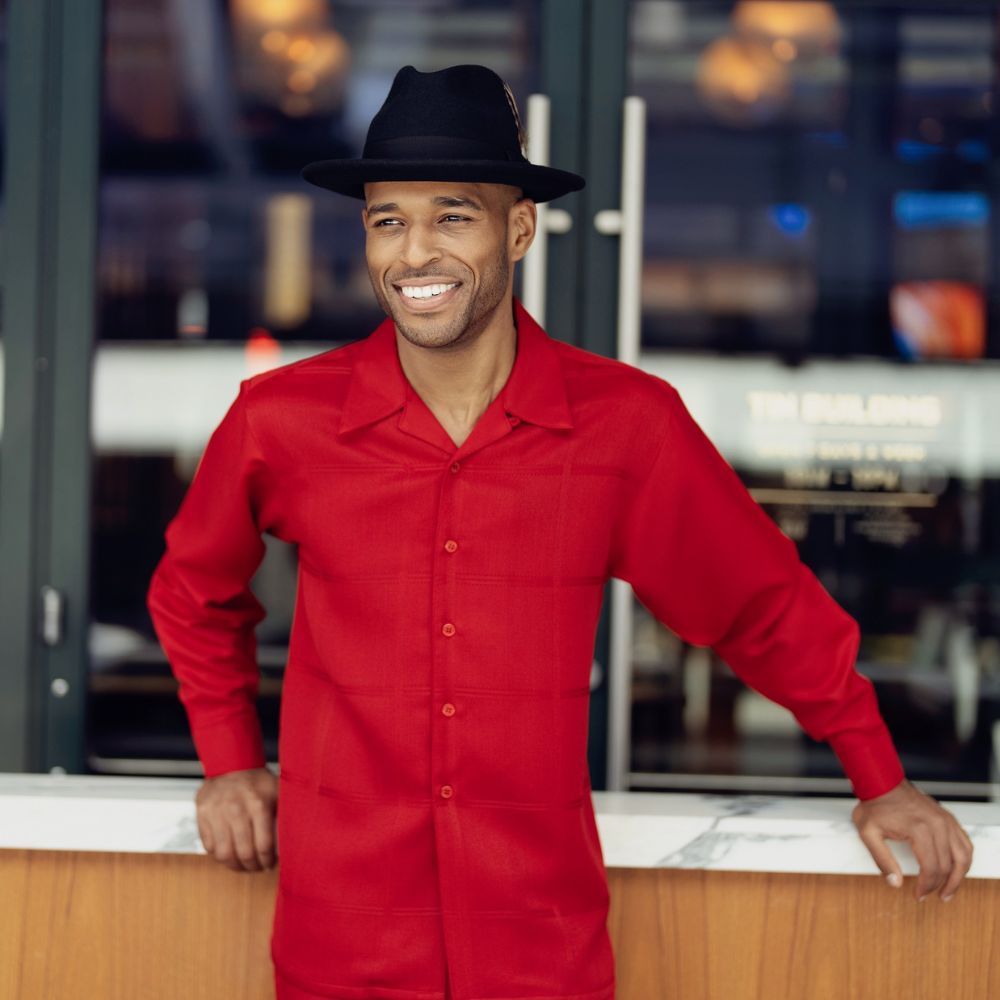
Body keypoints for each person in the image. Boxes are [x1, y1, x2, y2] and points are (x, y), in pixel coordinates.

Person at [147, 64, 973, 1000]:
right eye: (388, 220)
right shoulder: (281, 419)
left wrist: (881, 773)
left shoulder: (627, 425)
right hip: (342, 951)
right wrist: (228, 762)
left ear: (520, 228)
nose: (414, 252)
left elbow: (759, 608)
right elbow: (193, 592)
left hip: (540, 957)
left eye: (452, 215)